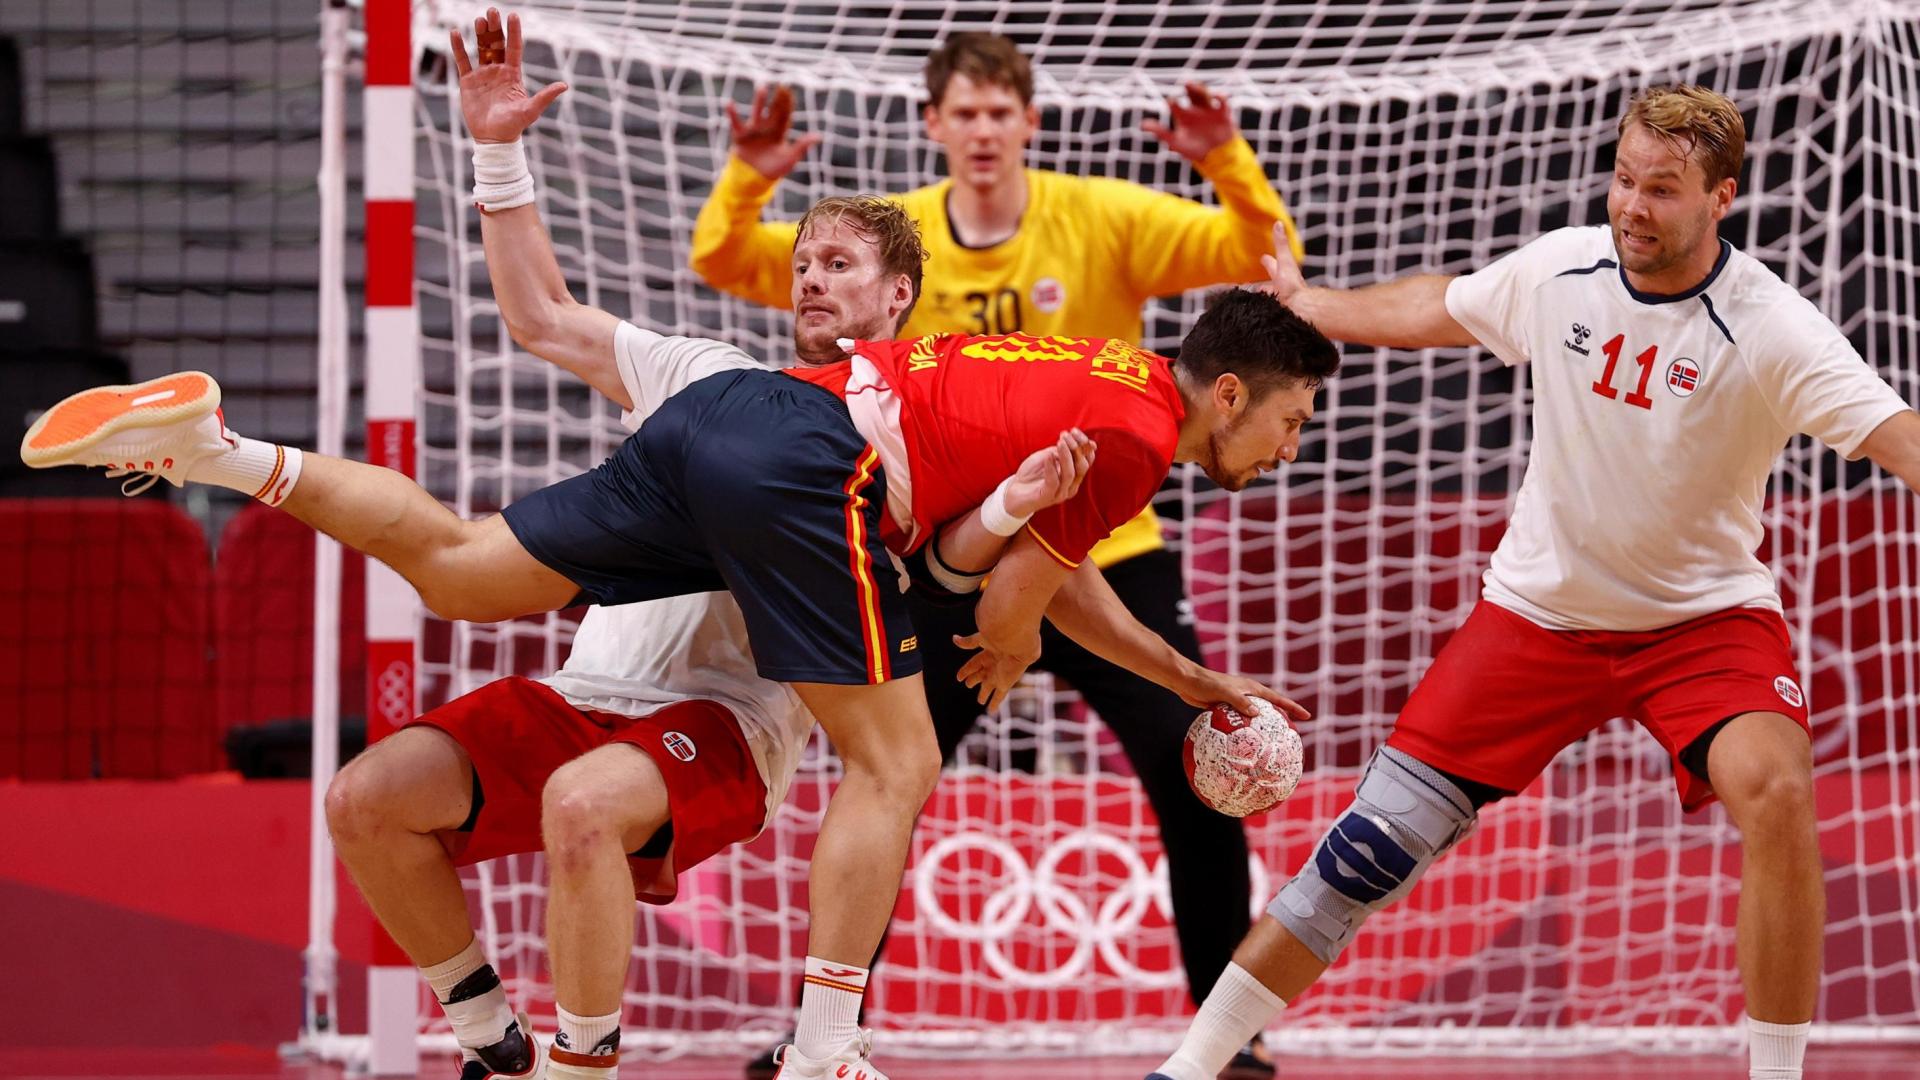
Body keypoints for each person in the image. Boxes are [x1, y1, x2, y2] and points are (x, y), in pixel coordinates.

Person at [18, 18, 1335, 1080]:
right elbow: (1015, 600)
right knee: (899, 757)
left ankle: (225, 456)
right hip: (805, 481)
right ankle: (824, 1053)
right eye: (1289, 423)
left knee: (464, 570)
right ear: (1232, 393)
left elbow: (1029, 574)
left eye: (838, 262)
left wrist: (1163, 674)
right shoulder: (1123, 429)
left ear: (892, 302)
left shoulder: (1038, 375)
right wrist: (1011, 644)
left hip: (734, 479)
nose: (1285, 450)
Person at [1145, 85, 1920, 1080]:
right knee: (1365, 854)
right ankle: (1189, 1068)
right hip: (1537, 618)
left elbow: (1899, 439)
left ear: (1723, 196)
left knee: (1774, 791)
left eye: (1665, 191)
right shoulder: (1564, 270)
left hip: (1702, 622)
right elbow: (1444, 302)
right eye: (1624, 179)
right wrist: (1314, 306)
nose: (1633, 206)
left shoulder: (1770, 328)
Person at [692, 34, 1305, 1076]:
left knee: (1191, 767)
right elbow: (726, 260)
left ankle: (1225, 1039)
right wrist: (748, 177)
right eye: (962, 114)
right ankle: (821, 1038)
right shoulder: (900, 234)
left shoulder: (1102, 215)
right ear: (934, 126)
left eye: (999, 113)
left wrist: (1225, 162)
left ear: (1029, 122)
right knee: (892, 774)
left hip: (1109, 554)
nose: (982, 132)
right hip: (959, 557)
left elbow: (1263, 260)